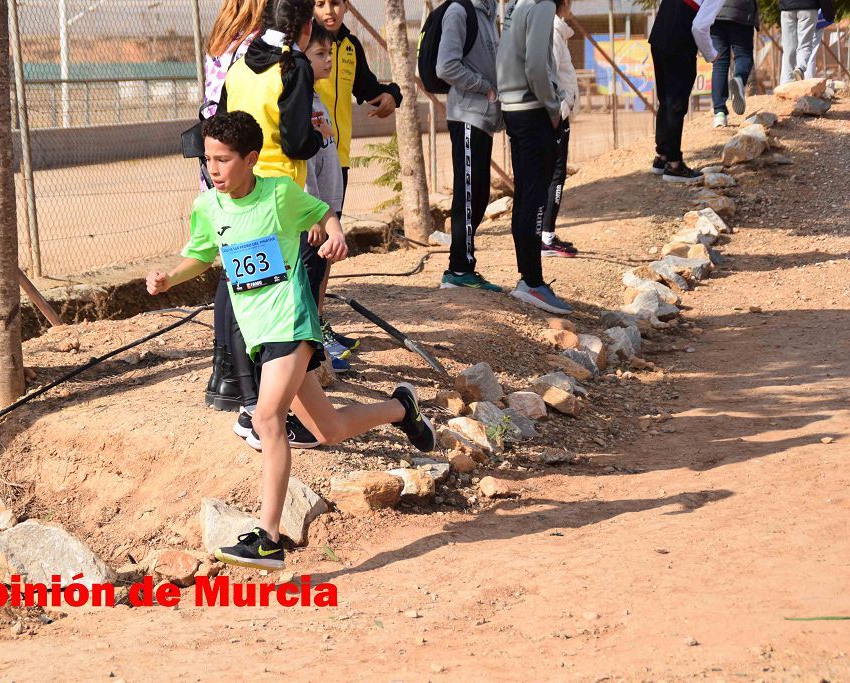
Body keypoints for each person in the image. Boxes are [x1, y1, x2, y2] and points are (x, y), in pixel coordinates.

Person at [147, 112, 436, 570]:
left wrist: (336, 234)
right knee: (330, 430)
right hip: (259, 335)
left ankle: (268, 537)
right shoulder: (207, 207)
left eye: (223, 160)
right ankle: (403, 408)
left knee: (266, 419)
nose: (213, 169)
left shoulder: (279, 195)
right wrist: (169, 278)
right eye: (208, 160)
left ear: (251, 159)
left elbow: (323, 212)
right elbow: (200, 253)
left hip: (293, 322)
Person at [214, 0, 325, 449]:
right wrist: (317, 135)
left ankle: (247, 399)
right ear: (304, 27)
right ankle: (260, 413)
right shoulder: (293, 66)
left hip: (241, 192)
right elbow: (298, 141)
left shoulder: (241, 62)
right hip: (277, 199)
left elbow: (221, 123)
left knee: (248, 293)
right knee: (280, 305)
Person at [313, 0, 403, 351]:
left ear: (346, 5)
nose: (328, 10)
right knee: (311, 245)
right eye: (319, 3)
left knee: (327, 246)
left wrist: (391, 94)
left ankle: (318, 323)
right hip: (308, 160)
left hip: (340, 159)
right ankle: (307, 333)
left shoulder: (350, 47)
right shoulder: (300, 45)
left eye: (335, 2)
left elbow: (366, 88)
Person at [201, 0, 268, 413]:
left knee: (235, 266)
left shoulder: (225, 39)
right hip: (241, 163)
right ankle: (235, 376)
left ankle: (225, 373)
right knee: (245, 271)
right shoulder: (255, 44)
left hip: (219, 160)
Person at [497, 0, 573, 315]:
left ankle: (529, 278)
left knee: (526, 194)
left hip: (513, 108)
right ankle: (532, 281)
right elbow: (535, 67)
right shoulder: (541, 4)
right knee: (536, 195)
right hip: (532, 110)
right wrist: (554, 106)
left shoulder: (517, 4)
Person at [435, 0, 504, 291]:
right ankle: (459, 270)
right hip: (466, 115)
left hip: (482, 118)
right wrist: (484, 87)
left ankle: (464, 266)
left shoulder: (488, 14)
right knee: (467, 193)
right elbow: (445, 66)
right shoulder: (459, 11)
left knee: (478, 193)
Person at [302, 22, 352, 369]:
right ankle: (310, 352)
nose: (328, 61)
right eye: (320, 54)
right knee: (306, 282)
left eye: (329, 54)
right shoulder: (301, 102)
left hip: (326, 209)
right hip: (314, 216)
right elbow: (301, 165)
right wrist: (315, 215)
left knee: (319, 276)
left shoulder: (317, 97)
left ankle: (317, 344)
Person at [647, 0, 723, 183]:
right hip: (679, 43)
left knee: (666, 100)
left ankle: (662, 156)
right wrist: (711, 54)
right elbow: (700, 26)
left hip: (659, 37)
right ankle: (674, 164)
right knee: (676, 104)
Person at [542, 0, 580, 258]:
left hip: (558, 113)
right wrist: (562, 107)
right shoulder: (553, 31)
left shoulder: (557, 29)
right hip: (555, 115)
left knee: (554, 174)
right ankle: (545, 237)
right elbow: (550, 73)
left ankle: (547, 235)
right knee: (555, 175)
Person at [710, 0, 758, 128]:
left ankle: (719, 114)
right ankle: (739, 79)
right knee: (743, 55)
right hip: (740, 11)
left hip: (714, 12)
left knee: (719, 63)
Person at [780, 0, 834, 83]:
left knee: (788, 47)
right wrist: (829, 14)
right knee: (805, 44)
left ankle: (786, 81)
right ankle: (800, 68)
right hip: (808, 7)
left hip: (787, 8)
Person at [806, 9, 835, 79]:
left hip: (802, 18)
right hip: (815, 18)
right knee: (811, 54)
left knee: (804, 52)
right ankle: (808, 80)